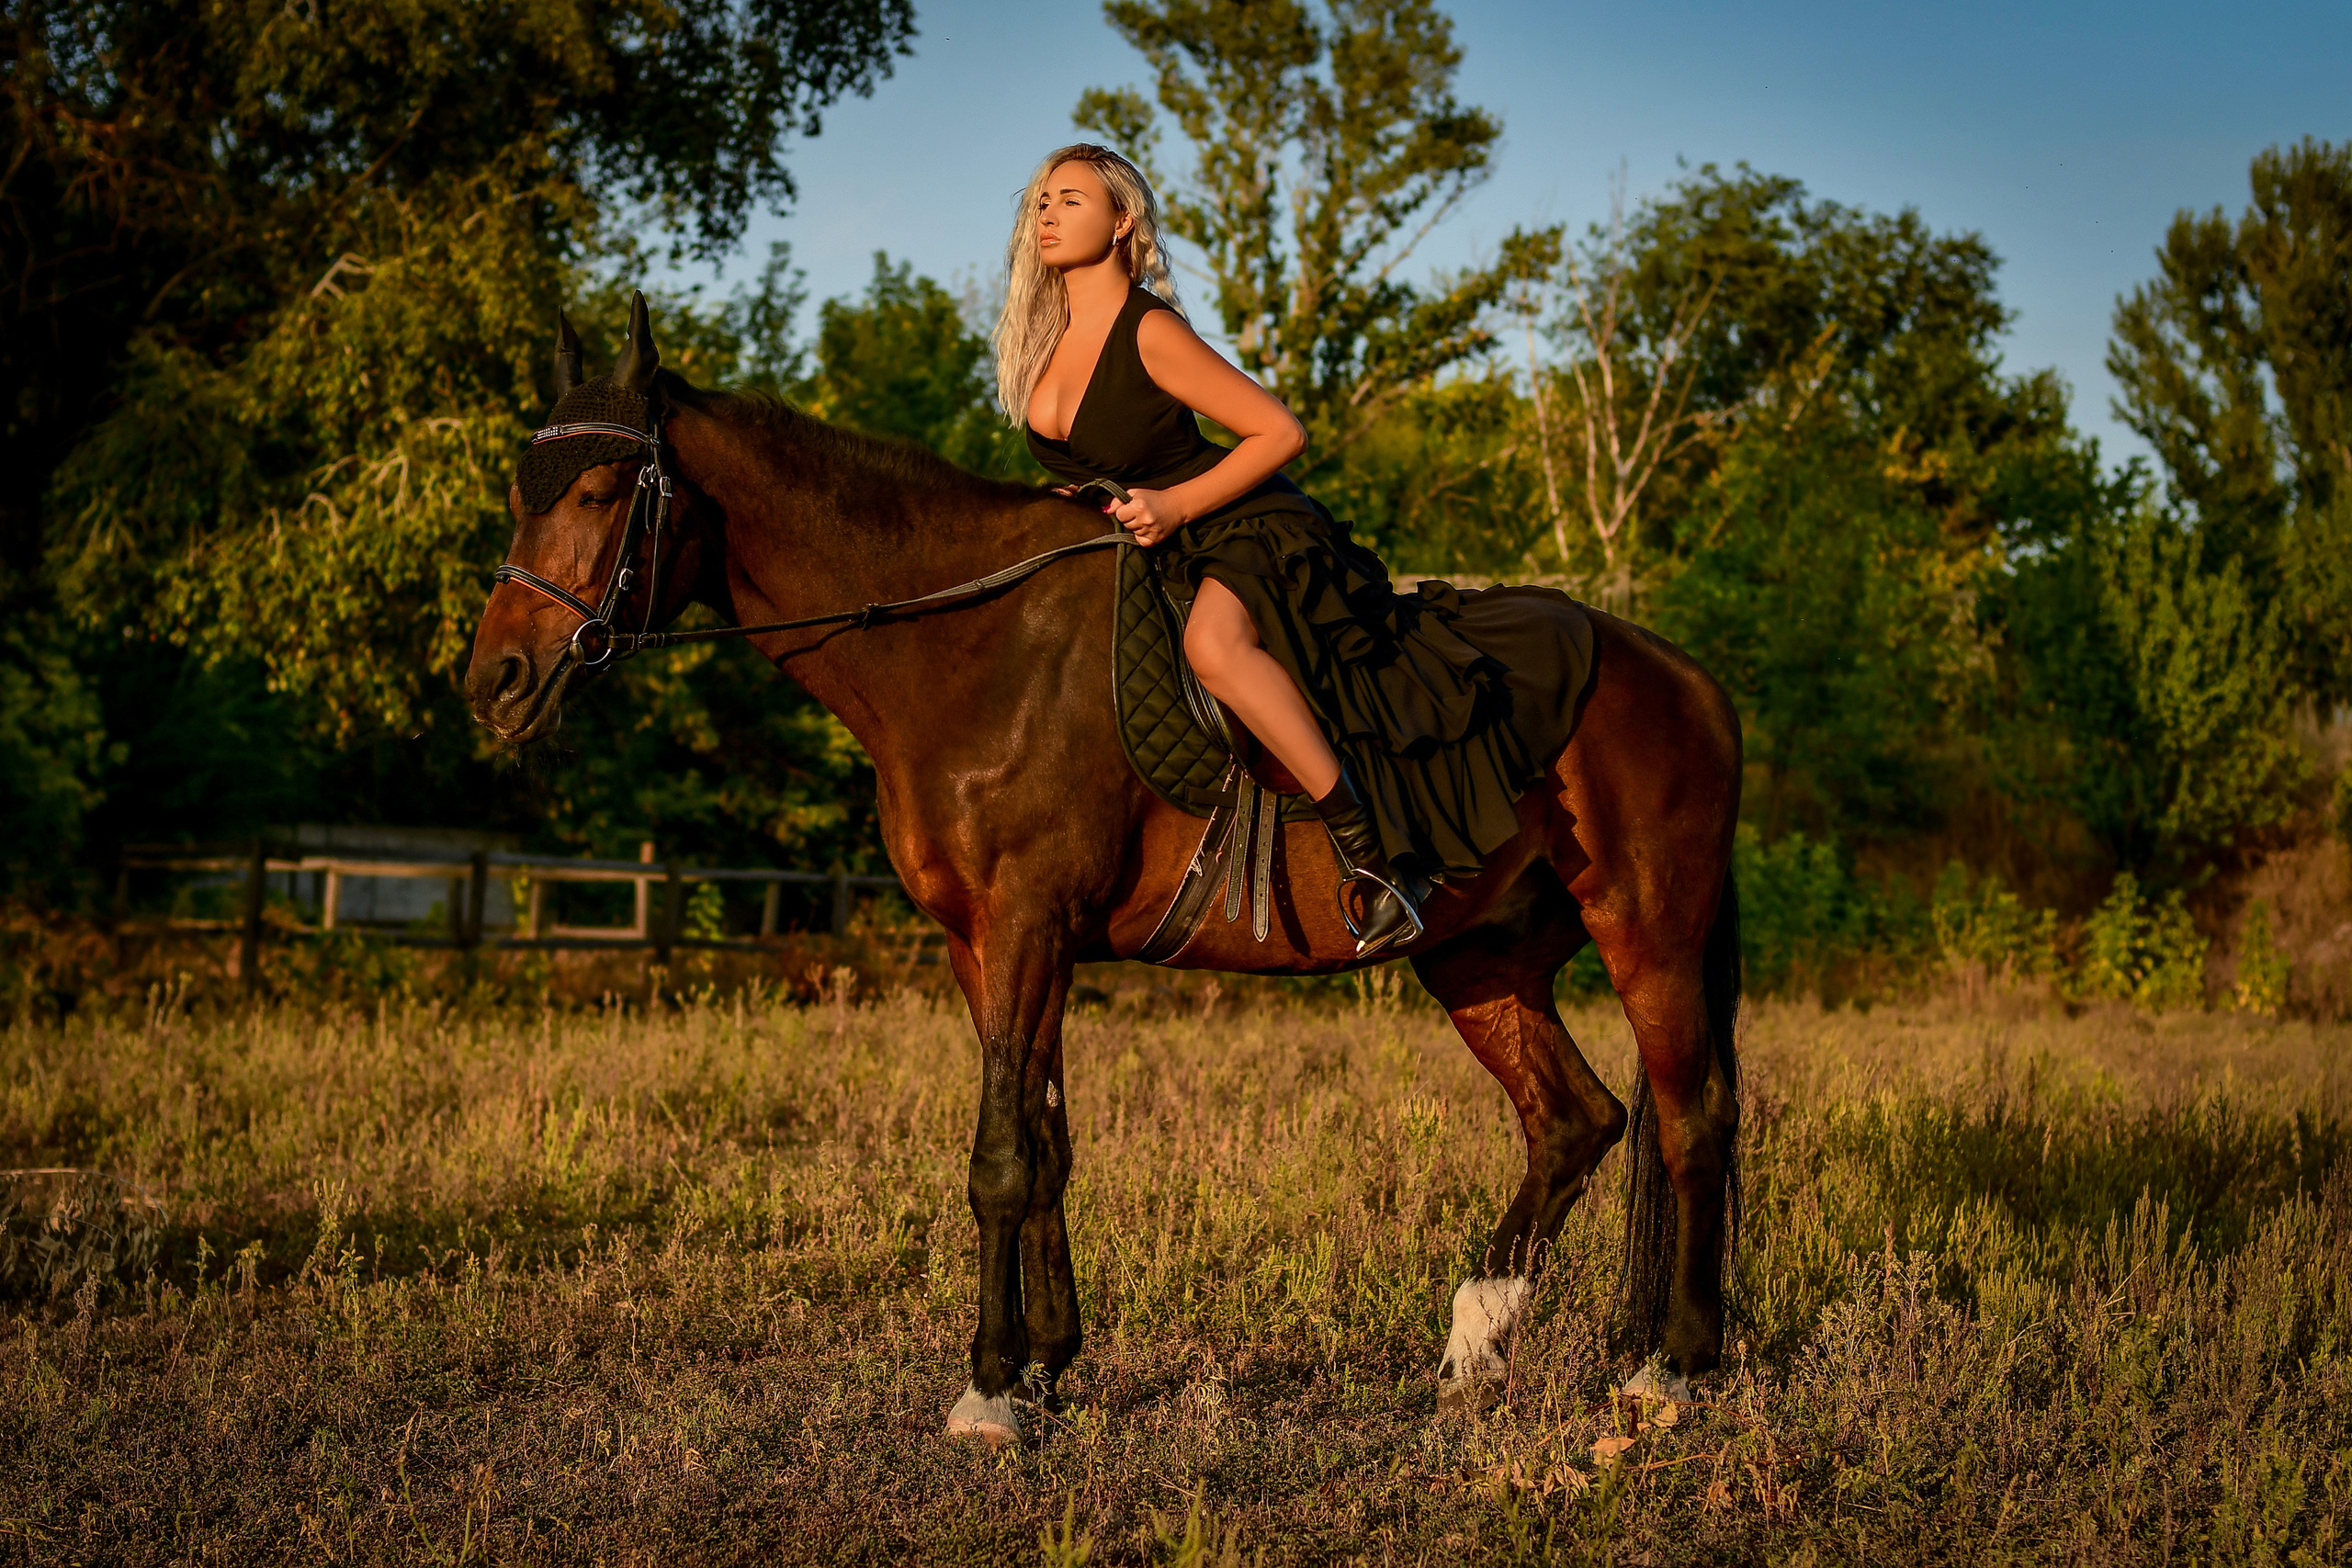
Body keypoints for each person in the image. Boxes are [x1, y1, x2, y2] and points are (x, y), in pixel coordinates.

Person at [999, 144, 1577, 957]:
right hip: (1161, 542)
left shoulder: (1150, 328)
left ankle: (1376, 862)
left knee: (1213, 643)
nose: (1047, 214)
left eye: (1071, 200)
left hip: (1243, 523)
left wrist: (1173, 502)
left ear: (1122, 221)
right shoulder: (1043, 346)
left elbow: (1280, 431)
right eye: (1042, 201)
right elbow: (1115, 462)